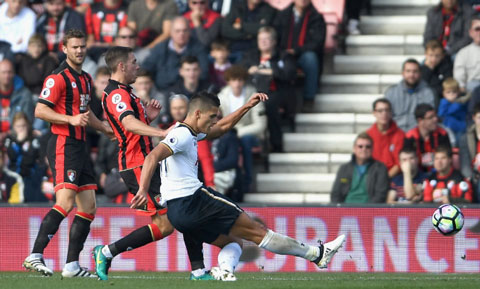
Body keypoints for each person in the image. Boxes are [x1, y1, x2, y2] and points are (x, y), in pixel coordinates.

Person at [136, 90, 346, 280]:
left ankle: (224, 272)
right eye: (211, 117)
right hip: (193, 200)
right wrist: (143, 189)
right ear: (198, 113)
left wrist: (247, 106)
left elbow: (222, 128)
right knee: (257, 231)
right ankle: (317, 254)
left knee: (233, 242)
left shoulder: (189, 131)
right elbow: (153, 156)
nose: (213, 122)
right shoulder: (180, 135)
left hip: (177, 213)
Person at [92, 46, 222, 281]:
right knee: (169, 222)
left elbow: (129, 127)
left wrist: (147, 118)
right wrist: (160, 132)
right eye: (133, 62)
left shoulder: (125, 92)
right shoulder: (116, 94)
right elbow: (129, 125)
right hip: (137, 164)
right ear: (121, 66)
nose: (137, 66)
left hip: (145, 161)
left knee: (180, 210)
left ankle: (198, 271)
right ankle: (107, 252)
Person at [22, 29, 113, 278]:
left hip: (80, 146)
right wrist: (69, 119)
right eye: (75, 47)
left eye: (82, 46)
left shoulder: (85, 78)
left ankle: (72, 265)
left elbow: (86, 113)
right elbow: (41, 110)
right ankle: (34, 255)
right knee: (65, 202)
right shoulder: (57, 77)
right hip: (64, 143)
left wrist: (105, 129)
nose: (80, 50)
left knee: (89, 207)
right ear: (64, 48)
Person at [240, 26, 296, 152]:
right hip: (252, 92)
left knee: (269, 104)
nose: (263, 42)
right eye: (260, 39)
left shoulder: (283, 55)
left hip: (277, 94)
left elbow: (290, 73)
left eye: (266, 39)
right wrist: (248, 71)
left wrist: (270, 71)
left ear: (274, 41)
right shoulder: (251, 56)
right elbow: (239, 71)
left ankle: (276, 144)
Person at [218, 65, 266, 193]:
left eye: (240, 80)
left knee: (245, 141)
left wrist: (237, 133)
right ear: (228, 81)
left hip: (249, 135)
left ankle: (248, 181)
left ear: (244, 81)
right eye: (233, 80)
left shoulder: (253, 95)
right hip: (228, 135)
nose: (237, 83)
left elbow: (260, 125)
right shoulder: (222, 97)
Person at [274, 0, 326, 112]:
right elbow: (275, 37)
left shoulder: (317, 17)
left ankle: (309, 98)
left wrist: (296, 50)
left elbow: (317, 43)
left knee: (311, 59)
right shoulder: (282, 15)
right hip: (284, 53)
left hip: (303, 54)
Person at [142, 16, 209, 90]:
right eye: (177, 31)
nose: (181, 34)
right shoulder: (160, 48)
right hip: (162, 92)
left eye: (185, 30)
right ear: (171, 32)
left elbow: (204, 72)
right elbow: (146, 68)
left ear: (190, 31)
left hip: (190, 92)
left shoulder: (199, 48)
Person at [330, 132, 389, 204]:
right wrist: (339, 210)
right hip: (345, 210)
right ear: (354, 149)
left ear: (372, 149)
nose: (364, 149)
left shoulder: (380, 169)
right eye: (360, 146)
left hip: (369, 211)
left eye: (368, 146)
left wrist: (365, 211)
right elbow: (336, 194)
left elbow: (380, 196)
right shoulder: (344, 169)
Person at [4, 112, 45, 202]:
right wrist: (19, 141)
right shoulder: (9, 139)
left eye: (23, 126)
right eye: (18, 126)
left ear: (27, 125)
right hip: (13, 179)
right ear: (14, 126)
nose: (21, 129)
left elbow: (29, 160)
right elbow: (11, 157)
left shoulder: (33, 139)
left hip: (30, 178)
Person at [385, 58, 436, 132]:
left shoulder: (428, 93)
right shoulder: (391, 92)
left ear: (420, 73)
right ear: (402, 73)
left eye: (415, 71)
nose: (411, 75)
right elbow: (385, 116)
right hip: (395, 133)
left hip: (418, 135)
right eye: (408, 71)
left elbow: (430, 118)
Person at [404, 103, 452, 172]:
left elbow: (447, 157)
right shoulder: (410, 137)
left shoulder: (442, 134)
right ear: (420, 121)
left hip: (439, 172)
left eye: (435, 116)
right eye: (430, 117)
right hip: (417, 174)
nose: (435, 119)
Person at [366, 98, 405, 178]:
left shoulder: (400, 135)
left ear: (391, 113)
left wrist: (385, 179)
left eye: (387, 110)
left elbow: (400, 163)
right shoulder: (367, 136)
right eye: (380, 111)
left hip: (395, 178)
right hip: (372, 177)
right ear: (374, 113)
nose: (384, 113)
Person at [0, 59, 34, 143]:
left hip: (17, 138)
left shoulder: (25, 94)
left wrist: (6, 135)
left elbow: (27, 122)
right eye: (3, 72)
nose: (6, 76)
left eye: (9, 72)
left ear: (14, 73)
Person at [459, 103, 480, 202]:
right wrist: (473, 177)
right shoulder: (465, 138)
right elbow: (465, 165)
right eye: (479, 117)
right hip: (474, 177)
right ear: (473, 118)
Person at [454, 15, 480, 93]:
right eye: (477, 29)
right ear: (471, 32)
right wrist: (462, 87)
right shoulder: (463, 53)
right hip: (472, 88)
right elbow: (459, 76)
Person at [437, 78, 467, 144]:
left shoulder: (462, 102)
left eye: (454, 92)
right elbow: (441, 114)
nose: (451, 94)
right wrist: (456, 104)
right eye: (448, 92)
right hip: (448, 129)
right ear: (444, 93)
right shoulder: (443, 102)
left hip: (461, 128)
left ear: (458, 92)